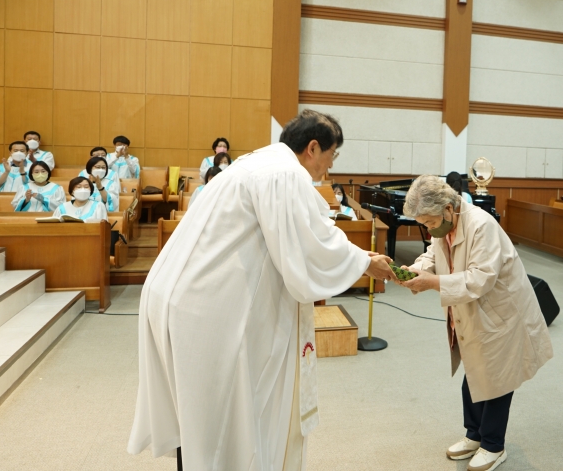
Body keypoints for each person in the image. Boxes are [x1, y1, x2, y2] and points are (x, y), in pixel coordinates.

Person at [128, 110, 396, 471]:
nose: (330, 166)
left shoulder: (253, 163)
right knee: (219, 415)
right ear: (313, 148)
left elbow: (300, 238)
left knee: (194, 415)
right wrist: (364, 261)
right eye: (332, 155)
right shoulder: (284, 173)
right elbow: (309, 245)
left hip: (177, 294)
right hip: (205, 306)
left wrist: (359, 258)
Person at [395, 175, 552, 471]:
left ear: (448, 208)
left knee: (498, 378)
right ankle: (474, 435)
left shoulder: (481, 225)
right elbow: (433, 254)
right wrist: (416, 270)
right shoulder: (444, 224)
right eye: (423, 224)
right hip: (472, 311)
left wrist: (432, 282)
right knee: (475, 370)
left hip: (502, 313)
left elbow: (480, 278)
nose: (428, 229)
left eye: (429, 222)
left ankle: (493, 445)